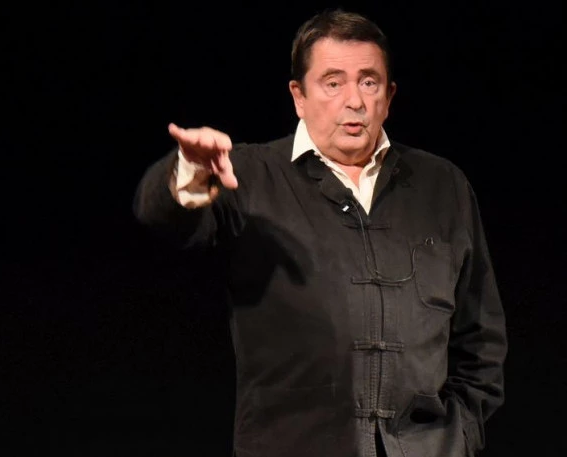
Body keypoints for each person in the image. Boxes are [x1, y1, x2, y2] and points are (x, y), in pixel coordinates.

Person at [133, 8, 507, 457]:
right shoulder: (249, 176)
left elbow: (480, 339)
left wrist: (461, 434)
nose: (355, 101)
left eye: (368, 82)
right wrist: (191, 172)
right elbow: (162, 218)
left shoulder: (442, 186)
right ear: (299, 96)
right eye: (333, 83)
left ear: (388, 95)